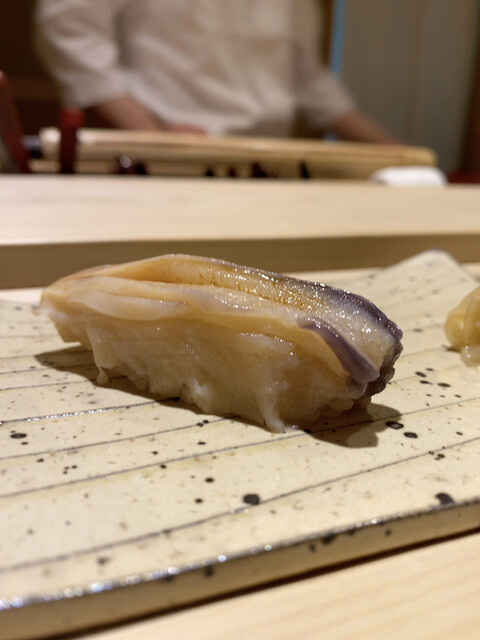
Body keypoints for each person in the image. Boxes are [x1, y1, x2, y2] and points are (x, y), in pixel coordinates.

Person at [34, 0, 398, 143]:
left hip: (272, 163)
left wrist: (401, 153)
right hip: (172, 159)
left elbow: (309, 80)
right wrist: (150, 135)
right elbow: (68, 24)